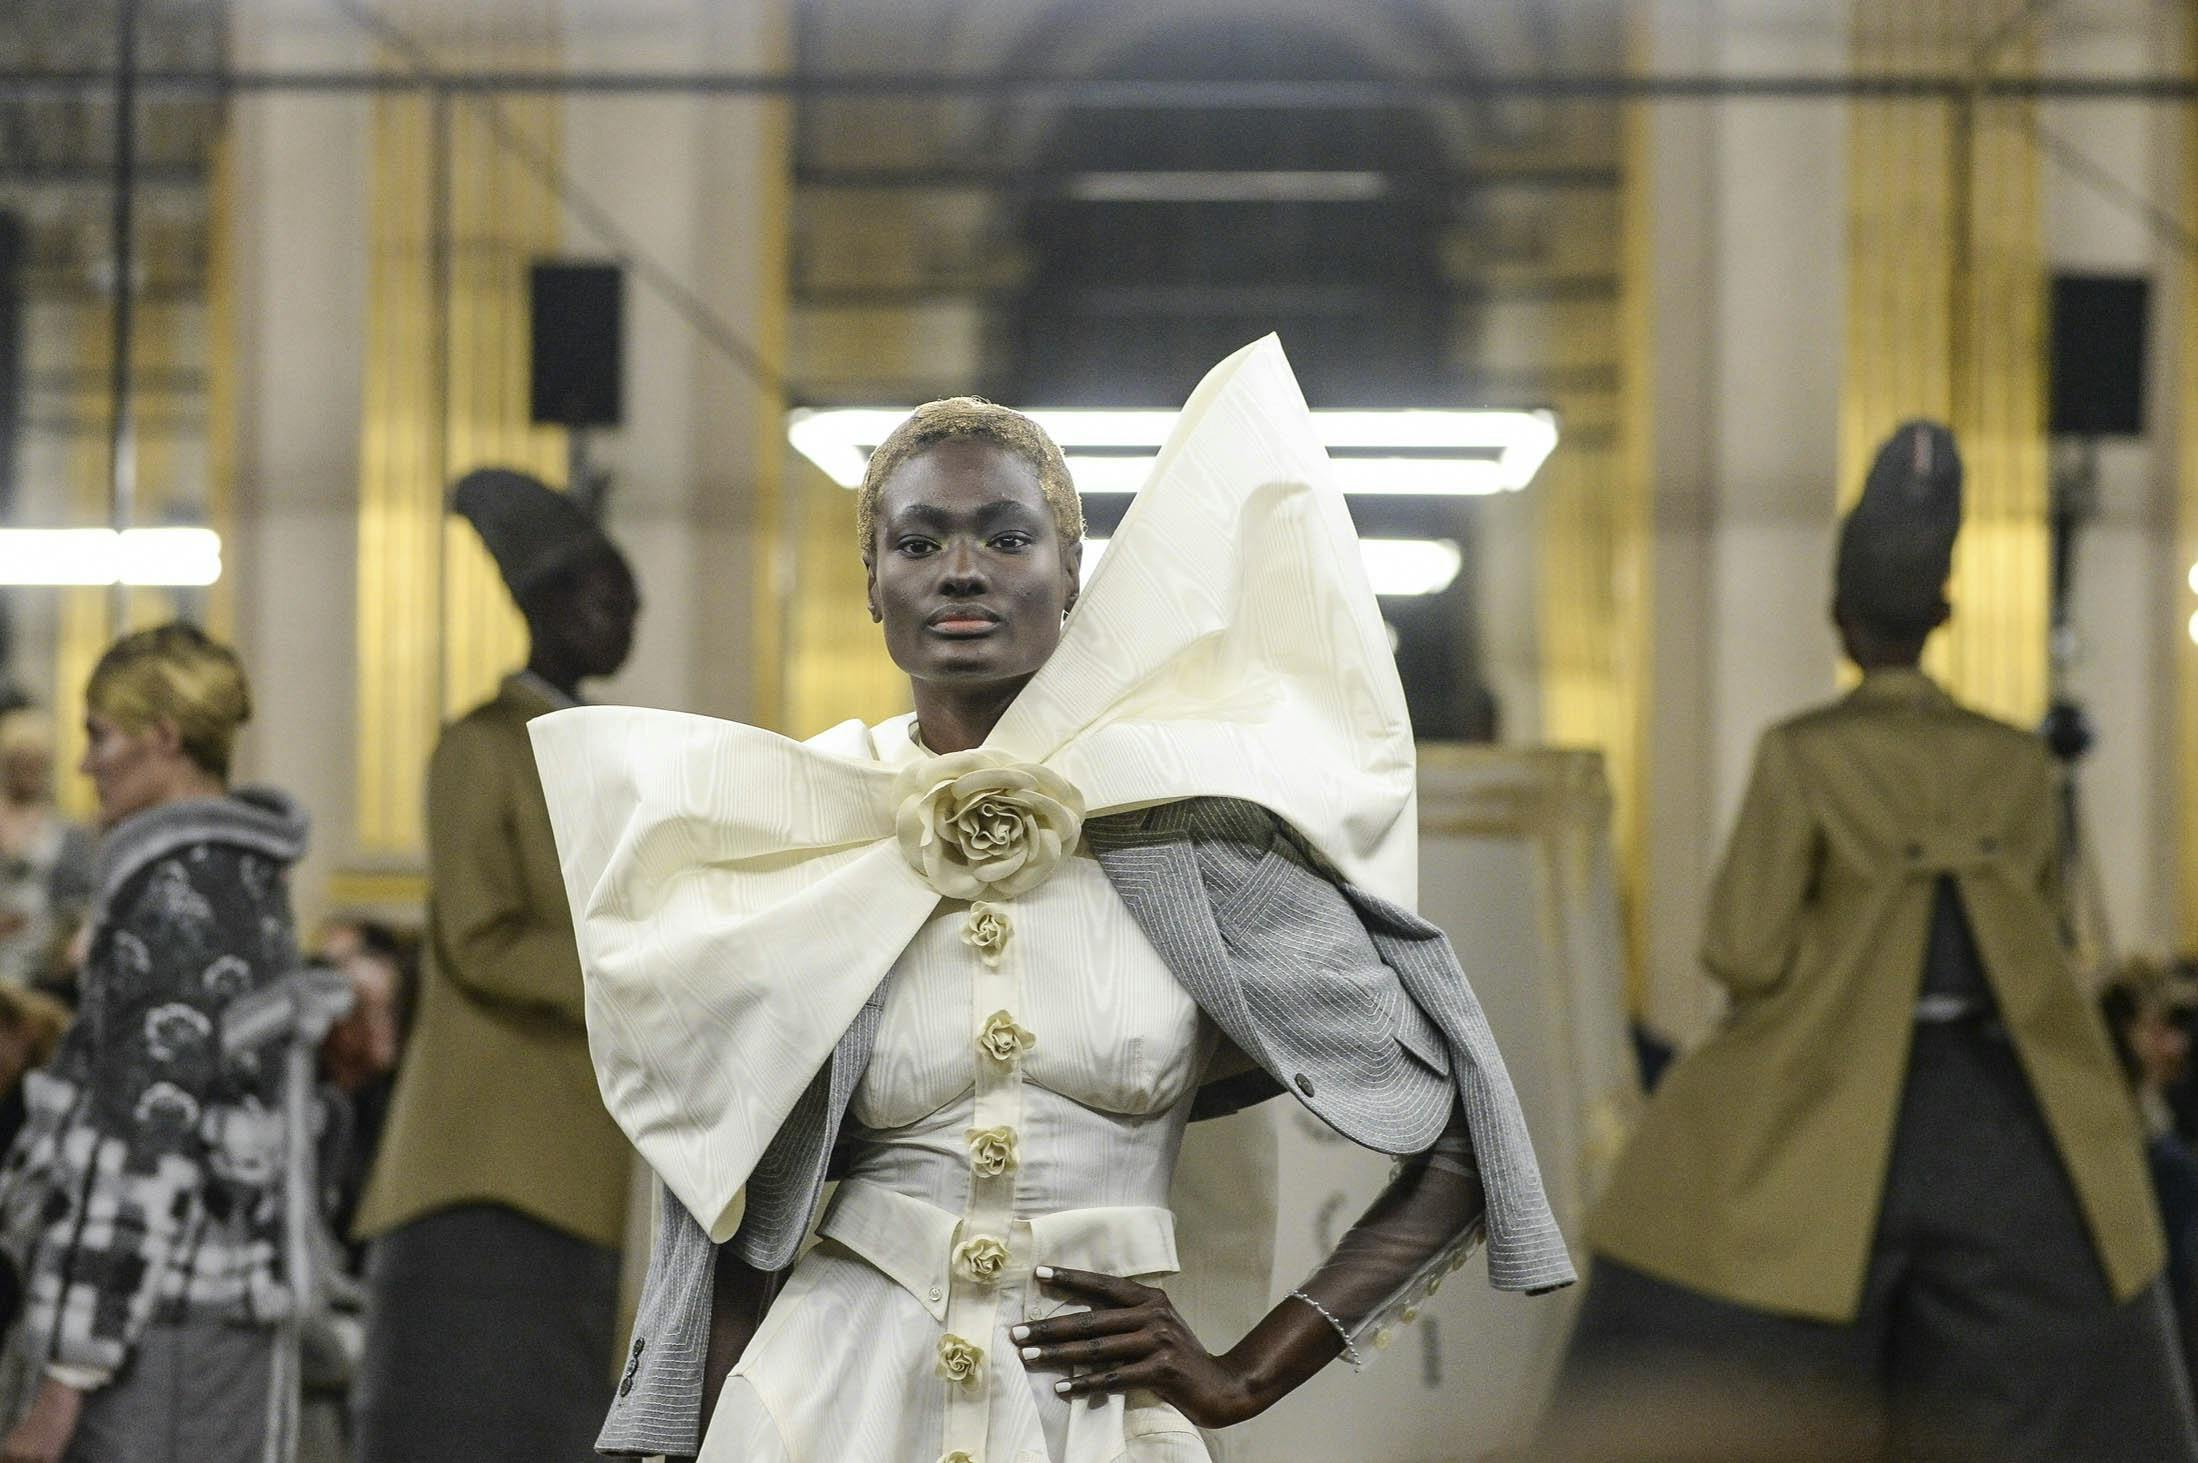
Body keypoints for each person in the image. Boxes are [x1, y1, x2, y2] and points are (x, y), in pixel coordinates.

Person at [529, 337, 1574, 1463]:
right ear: (871, 583)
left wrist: (1244, 1371)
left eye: (1007, 537)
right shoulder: (811, 846)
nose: (961, 569)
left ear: (1072, 575)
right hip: (819, 1408)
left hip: (1100, 1424)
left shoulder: (1188, 839)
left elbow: (1464, 1133)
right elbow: (734, 1210)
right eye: (918, 541)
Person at [1561, 422, 2197, 1460]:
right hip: (2001, 1115)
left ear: (1839, 620)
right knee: (2055, 1347)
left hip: (1823, 1104)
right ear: (1943, 611)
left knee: (1707, 1294)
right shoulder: (2011, 760)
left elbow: (1745, 949)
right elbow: (2043, 925)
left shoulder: (1802, 754)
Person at [350, 468, 642, 1463]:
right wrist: (644, 968)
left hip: (578, 1154)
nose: (625, 615)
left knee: (552, 1419)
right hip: (483, 1162)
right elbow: (480, 940)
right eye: (605, 594)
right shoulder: (481, 746)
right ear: (545, 602)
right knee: (469, 1420)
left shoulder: (605, 746)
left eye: (631, 599)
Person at [0, 622, 309, 1463]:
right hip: (215, 1305)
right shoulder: (242, 879)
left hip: (162, 1330)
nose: (84, 764)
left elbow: (139, 1140)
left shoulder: (176, 897)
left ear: (163, 737)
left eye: (99, 735)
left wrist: (64, 1375)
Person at [0, 714, 94, 997]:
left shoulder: (66, 832)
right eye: (20, 760)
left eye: (35, 761)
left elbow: (77, 904)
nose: (27, 769)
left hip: (40, 974)